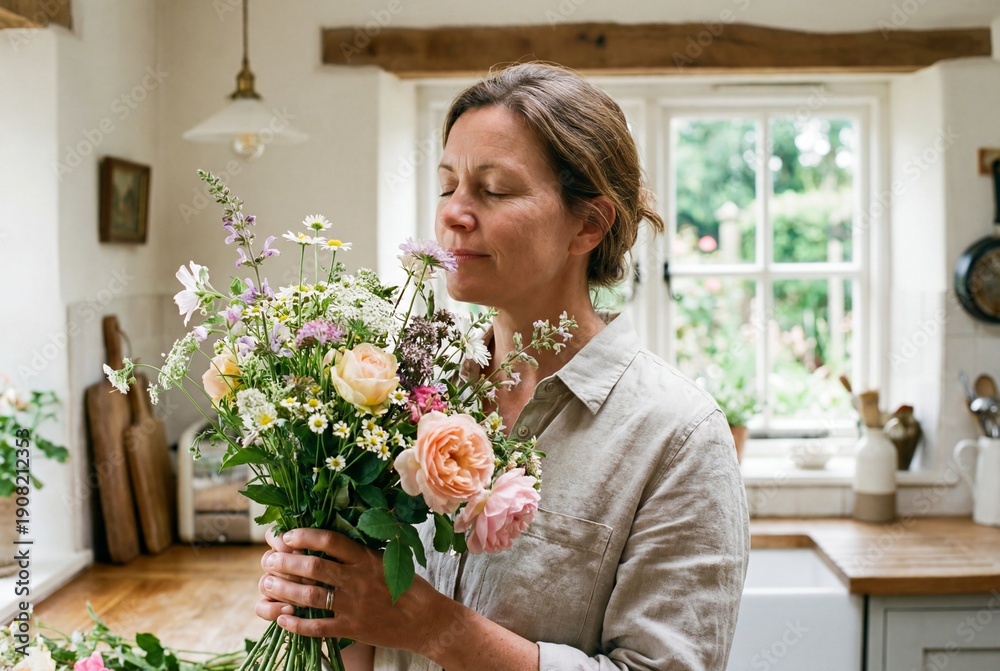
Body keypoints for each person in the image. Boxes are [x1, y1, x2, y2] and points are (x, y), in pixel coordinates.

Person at [256, 61, 750, 671]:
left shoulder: (679, 437)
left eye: (493, 190)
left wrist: (434, 628)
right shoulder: (400, 392)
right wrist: (320, 595)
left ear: (588, 225)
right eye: (448, 187)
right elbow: (365, 638)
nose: (453, 214)